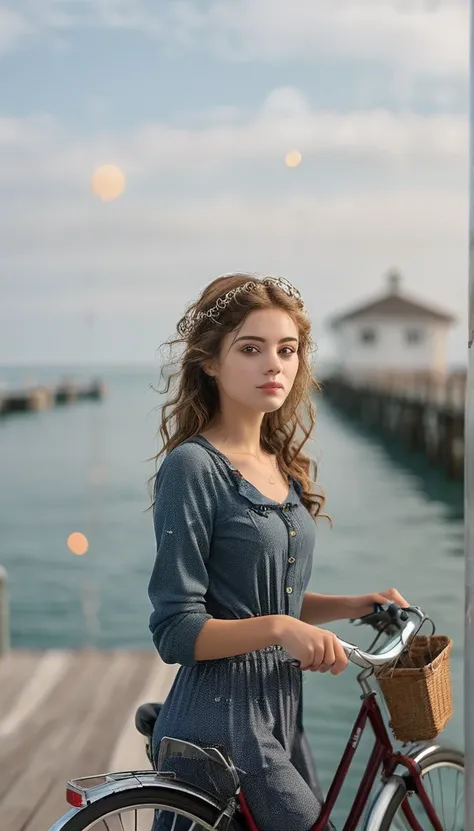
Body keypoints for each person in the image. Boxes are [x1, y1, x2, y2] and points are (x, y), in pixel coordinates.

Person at [147, 272, 408, 831]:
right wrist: (280, 630)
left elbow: (265, 599)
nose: (275, 365)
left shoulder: (277, 464)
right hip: (223, 720)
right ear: (210, 362)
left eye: (287, 350)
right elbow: (176, 630)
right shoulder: (193, 468)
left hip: (280, 710)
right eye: (251, 348)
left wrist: (352, 605)